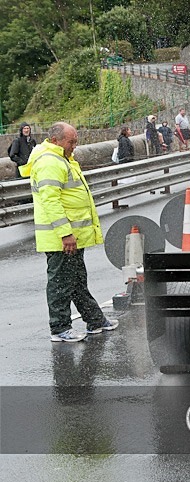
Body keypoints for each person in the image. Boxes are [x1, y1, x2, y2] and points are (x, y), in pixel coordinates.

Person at [20, 122, 119, 342]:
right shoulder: (49, 161)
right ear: (55, 140)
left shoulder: (62, 158)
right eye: (71, 141)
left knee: (76, 281)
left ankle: (94, 320)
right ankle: (59, 328)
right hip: (61, 238)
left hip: (71, 236)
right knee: (60, 284)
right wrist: (65, 233)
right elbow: (51, 201)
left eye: (75, 141)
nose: (74, 145)